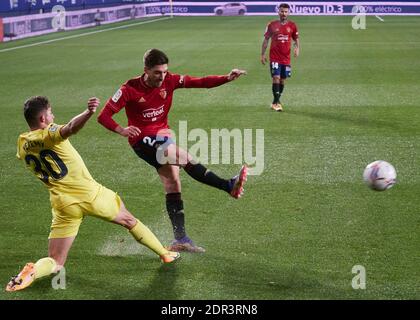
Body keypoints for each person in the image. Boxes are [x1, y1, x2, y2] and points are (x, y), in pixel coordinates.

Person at [6, 96, 180, 292]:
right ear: (42, 119)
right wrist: (88, 112)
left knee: (56, 262)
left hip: (63, 204)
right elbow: (70, 128)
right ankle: (165, 254)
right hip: (91, 195)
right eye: (50, 112)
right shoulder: (49, 134)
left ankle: (33, 271)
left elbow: (36, 146)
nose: (53, 115)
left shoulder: (22, 144)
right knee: (129, 220)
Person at [97, 49, 248, 253]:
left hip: (163, 135)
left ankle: (180, 239)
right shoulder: (129, 89)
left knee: (172, 182)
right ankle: (227, 185)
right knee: (184, 157)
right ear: (146, 71)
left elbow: (200, 82)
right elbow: (104, 116)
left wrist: (227, 78)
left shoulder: (170, 80)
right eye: (158, 72)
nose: (162, 77)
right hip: (142, 139)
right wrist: (122, 130)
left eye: (165, 72)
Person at [261, 3, 299, 112]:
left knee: (283, 80)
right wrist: (262, 54)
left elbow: (296, 39)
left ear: (289, 13)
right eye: (282, 11)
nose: (284, 13)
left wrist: (297, 48)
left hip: (286, 58)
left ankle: (275, 101)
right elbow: (266, 40)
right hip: (275, 57)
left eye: (286, 11)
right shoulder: (272, 25)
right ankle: (277, 103)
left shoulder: (292, 25)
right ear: (278, 12)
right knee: (276, 77)